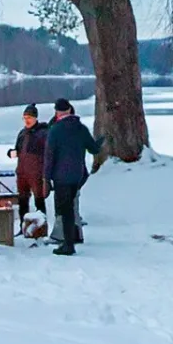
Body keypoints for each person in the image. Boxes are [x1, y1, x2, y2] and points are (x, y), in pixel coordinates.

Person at [43, 98, 102, 256]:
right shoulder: (80, 128)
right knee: (71, 207)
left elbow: (49, 156)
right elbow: (94, 149)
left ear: (57, 112)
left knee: (65, 209)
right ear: (70, 110)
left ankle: (68, 244)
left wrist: (46, 179)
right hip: (77, 175)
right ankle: (71, 239)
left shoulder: (55, 130)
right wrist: (103, 139)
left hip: (60, 176)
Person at [8, 103, 49, 232]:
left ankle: (41, 228)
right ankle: (23, 226)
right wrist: (11, 153)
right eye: (25, 117)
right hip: (22, 172)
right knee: (23, 200)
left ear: (35, 118)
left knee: (39, 199)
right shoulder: (22, 133)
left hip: (36, 172)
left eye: (29, 117)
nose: (27, 120)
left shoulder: (43, 133)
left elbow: (48, 153)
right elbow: (18, 150)